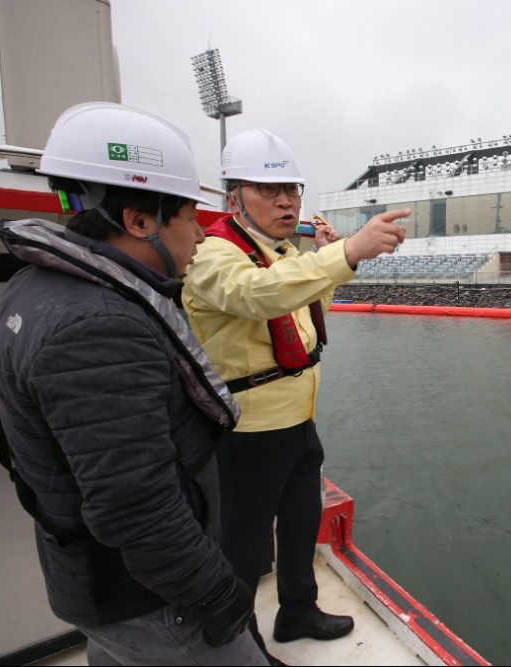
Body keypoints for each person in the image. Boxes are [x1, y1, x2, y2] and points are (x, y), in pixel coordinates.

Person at [0, 103, 267, 665]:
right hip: (155, 598)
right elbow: (133, 505)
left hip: (103, 584)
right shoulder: (98, 328)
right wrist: (216, 589)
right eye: (190, 216)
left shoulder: (36, 286)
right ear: (140, 220)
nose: (201, 232)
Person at [181, 128, 408, 656]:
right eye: (269, 190)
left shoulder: (283, 253)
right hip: (247, 430)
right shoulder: (215, 255)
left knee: (302, 519)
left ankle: (298, 610)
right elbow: (260, 296)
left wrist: (333, 267)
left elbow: (302, 312)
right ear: (233, 196)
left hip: (296, 421)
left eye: (293, 189)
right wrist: (345, 252)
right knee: (241, 542)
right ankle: (238, 642)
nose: (286, 201)